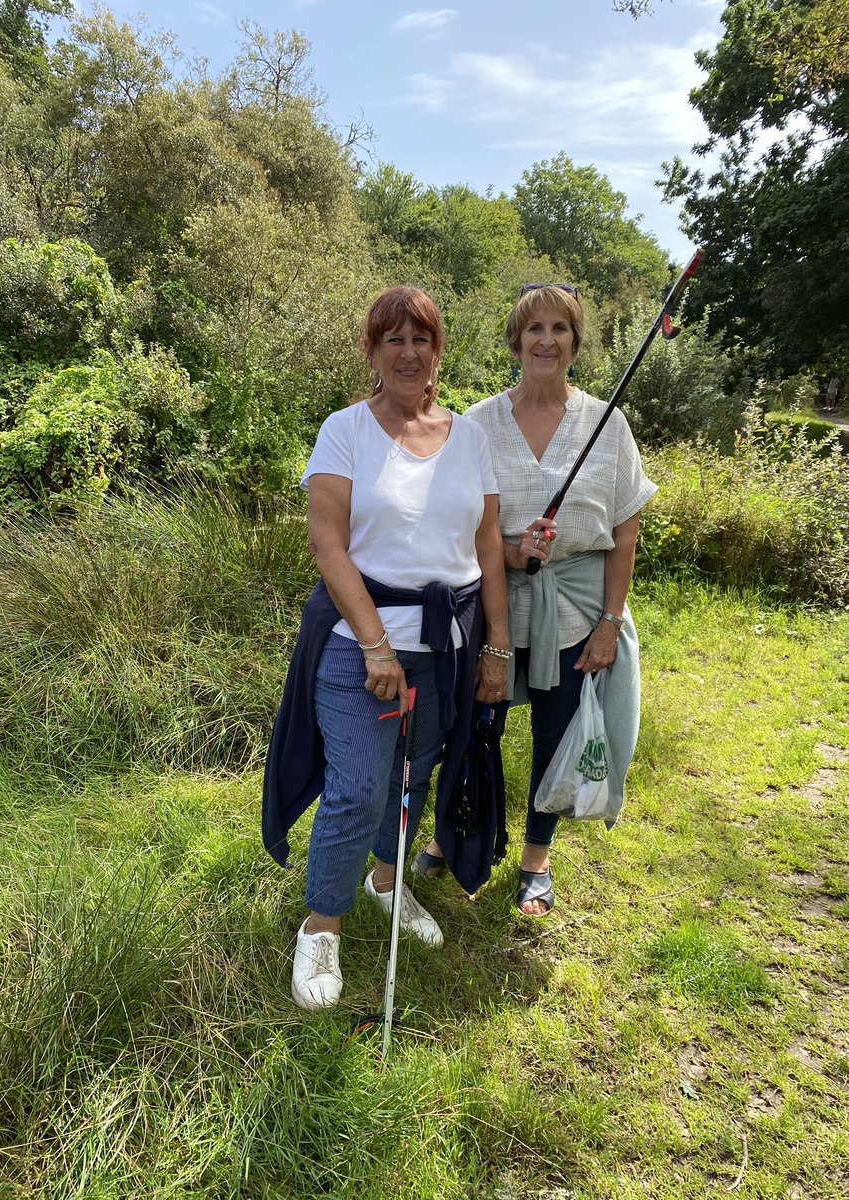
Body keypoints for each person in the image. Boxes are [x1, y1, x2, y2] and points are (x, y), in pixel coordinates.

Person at [262, 286, 510, 1010]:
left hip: (450, 647)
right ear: (372, 352)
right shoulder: (344, 430)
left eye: (422, 339)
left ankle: (384, 881)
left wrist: (497, 647)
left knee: (414, 779)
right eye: (393, 340)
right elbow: (327, 543)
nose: (408, 353)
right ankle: (321, 926)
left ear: (438, 352)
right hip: (357, 646)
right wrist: (375, 646)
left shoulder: (470, 437)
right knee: (359, 788)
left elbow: (488, 545)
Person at [414, 282, 656, 916]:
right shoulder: (477, 423)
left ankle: (535, 858)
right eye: (534, 329)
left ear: (576, 343)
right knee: (469, 724)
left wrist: (609, 622)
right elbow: (457, 518)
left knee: (556, 731)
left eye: (560, 329)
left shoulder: (610, 423)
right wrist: (510, 550)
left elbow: (625, 529)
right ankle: (452, 831)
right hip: (489, 599)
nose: (546, 341)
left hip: (576, 605)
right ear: (516, 341)